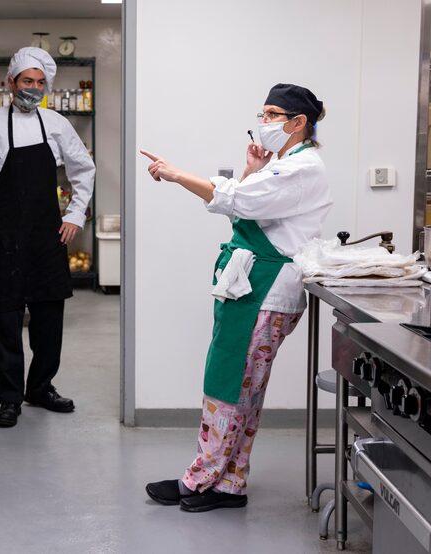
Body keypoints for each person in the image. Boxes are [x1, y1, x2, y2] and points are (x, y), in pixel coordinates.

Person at [142, 83, 331, 512]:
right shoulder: (285, 163)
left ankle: (202, 478)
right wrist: (251, 169)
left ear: (298, 123)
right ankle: (228, 483)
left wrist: (176, 175)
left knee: (232, 386)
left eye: (271, 115)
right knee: (239, 387)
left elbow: (237, 201)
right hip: (251, 286)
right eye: (261, 114)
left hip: (266, 290)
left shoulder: (302, 168)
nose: (263, 123)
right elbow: (245, 204)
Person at [0, 47, 95, 428]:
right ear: (11, 82)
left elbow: (84, 170)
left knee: (48, 318)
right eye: (26, 81)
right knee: (4, 319)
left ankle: (40, 387)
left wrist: (74, 214)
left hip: (44, 236)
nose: (32, 88)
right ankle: (9, 399)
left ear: (46, 86)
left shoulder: (55, 123)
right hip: (2, 235)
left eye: (39, 83)